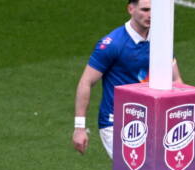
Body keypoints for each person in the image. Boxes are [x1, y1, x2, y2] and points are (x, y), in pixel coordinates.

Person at [73, 0, 182, 158]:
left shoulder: (161, 40)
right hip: (117, 123)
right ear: (131, 9)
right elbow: (86, 82)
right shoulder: (112, 44)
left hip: (151, 119)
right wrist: (79, 128)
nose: (150, 15)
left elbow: (176, 81)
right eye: (144, 10)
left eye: (154, 11)